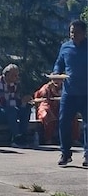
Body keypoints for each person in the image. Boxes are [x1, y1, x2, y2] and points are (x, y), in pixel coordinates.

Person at [52, 19, 88, 168]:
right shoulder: (65, 47)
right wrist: (56, 74)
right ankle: (65, 153)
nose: (74, 35)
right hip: (69, 93)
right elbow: (59, 63)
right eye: (71, 32)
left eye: (77, 32)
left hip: (86, 93)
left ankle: (87, 155)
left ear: (84, 33)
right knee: (64, 122)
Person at [0, 64, 32, 147]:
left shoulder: (14, 85)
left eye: (17, 75)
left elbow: (15, 100)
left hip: (7, 112)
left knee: (26, 109)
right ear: (8, 74)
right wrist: (20, 101)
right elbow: (3, 103)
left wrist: (24, 103)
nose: (16, 77)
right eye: (14, 75)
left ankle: (22, 136)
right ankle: (16, 138)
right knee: (11, 110)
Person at [32, 78, 64, 145]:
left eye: (59, 79)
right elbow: (41, 99)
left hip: (59, 108)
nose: (57, 81)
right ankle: (48, 138)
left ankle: (73, 139)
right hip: (47, 106)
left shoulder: (65, 87)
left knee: (71, 115)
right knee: (47, 115)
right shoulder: (46, 88)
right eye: (55, 79)